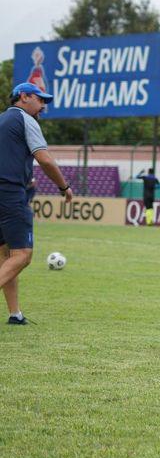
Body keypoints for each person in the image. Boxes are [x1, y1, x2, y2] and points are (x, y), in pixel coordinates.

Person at [0, 83, 73, 325]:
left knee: (5, 255)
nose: (43, 106)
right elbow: (45, 159)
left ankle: (15, 314)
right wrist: (64, 187)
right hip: (10, 193)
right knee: (22, 255)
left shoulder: (2, 121)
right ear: (24, 97)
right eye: (40, 100)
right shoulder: (25, 119)